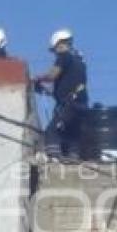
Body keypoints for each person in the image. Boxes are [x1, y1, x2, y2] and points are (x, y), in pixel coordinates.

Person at [33, 28, 89, 159]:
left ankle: (54, 160)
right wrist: (44, 89)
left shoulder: (64, 56)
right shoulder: (79, 62)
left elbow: (52, 75)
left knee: (52, 132)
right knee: (71, 137)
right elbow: (62, 88)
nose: (55, 53)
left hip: (69, 104)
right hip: (81, 105)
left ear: (60, 43)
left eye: (55, 49)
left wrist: (36, 78)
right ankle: (72, 159)